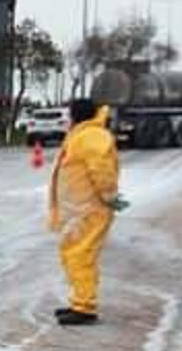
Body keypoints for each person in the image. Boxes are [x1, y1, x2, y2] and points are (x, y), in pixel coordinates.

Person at [46, 98, 125, 326]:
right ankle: (79, 302)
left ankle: (84, 307)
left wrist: (110, 198)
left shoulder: (91, 136)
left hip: (90, 209)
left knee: (81, 255)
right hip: (82, 209)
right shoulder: (85, 134)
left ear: (76, 115)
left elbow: (102, 171)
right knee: (74, 254)